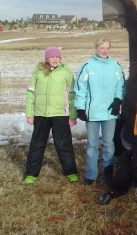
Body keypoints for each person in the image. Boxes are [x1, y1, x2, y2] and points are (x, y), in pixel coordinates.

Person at [24, 47, 78, 183]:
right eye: (52, 57)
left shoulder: (66, 71)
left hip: (60, 114)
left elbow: (72, 95)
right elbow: (30, 94)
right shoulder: (38, 71)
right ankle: (31, 173)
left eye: (57, 57)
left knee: (63, 144)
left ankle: (71, 172)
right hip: (41, 114)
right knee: (37, 144)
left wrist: (73, 115)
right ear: (47, 59)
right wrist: (30, 114)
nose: (55, 59)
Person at [75, 38, 125, 186]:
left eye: (107, 48)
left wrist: (117, 101)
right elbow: (80, 89)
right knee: (92, 144)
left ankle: (108, 171)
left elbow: (120, 86)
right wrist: (80, 108)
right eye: (101, 47)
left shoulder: (115, 66)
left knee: (109, 143)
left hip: (109, 112)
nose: (104, 50)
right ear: (96, 48)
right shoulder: (88, 66)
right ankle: (91, 174)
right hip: (93, 112)